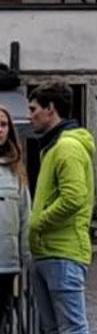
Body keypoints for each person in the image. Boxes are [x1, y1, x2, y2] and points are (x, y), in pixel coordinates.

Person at [26, 82, 95, 334]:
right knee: (57, 333)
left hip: (63, 250)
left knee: (71, 331)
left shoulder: (67, 147)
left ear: (50, 108)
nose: (31, 116)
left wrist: (39, 222)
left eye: (34, 109)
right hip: (47, 251)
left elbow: (75, 198)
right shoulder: (53, 147)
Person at [0, 106, 30, 316]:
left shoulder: (15, 171)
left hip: (5, 264)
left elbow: (25, 217)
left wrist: (27, 262)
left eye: (3, 125)